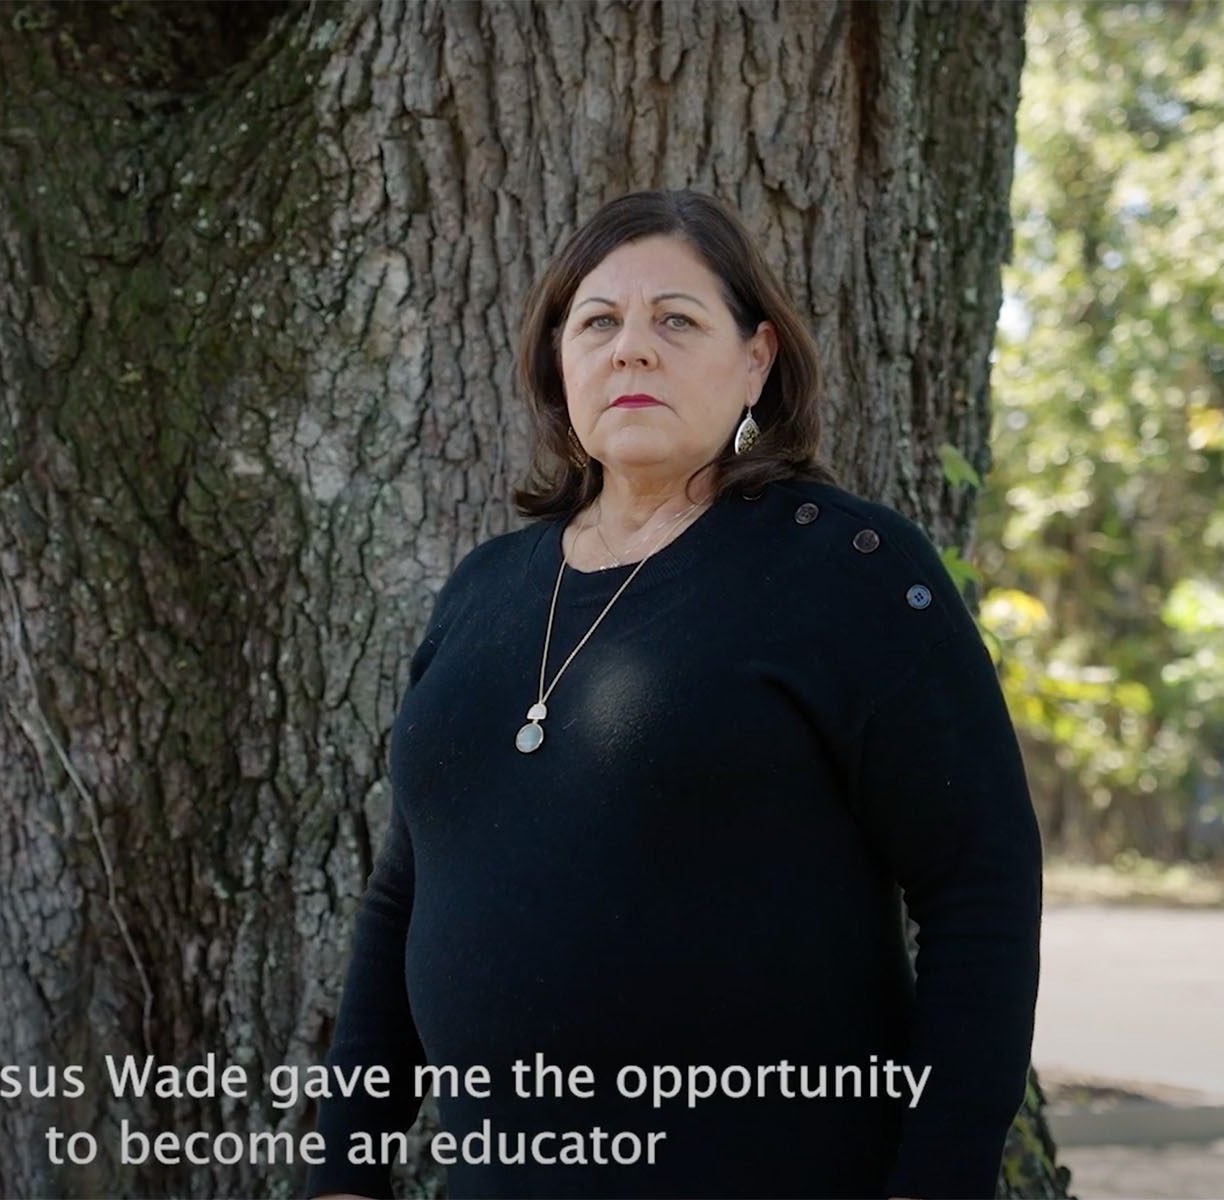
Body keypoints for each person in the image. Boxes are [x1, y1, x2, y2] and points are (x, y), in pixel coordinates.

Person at [302, 189, 1043, 1200]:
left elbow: (981, 885)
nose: (631, 350)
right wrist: (344, 1168)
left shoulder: (847, 571)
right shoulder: (485, 590)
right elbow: (405, 895)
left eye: (677, 320)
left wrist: (937, 1184)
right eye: (599, 321)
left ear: (756, 360)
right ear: (559, 364)